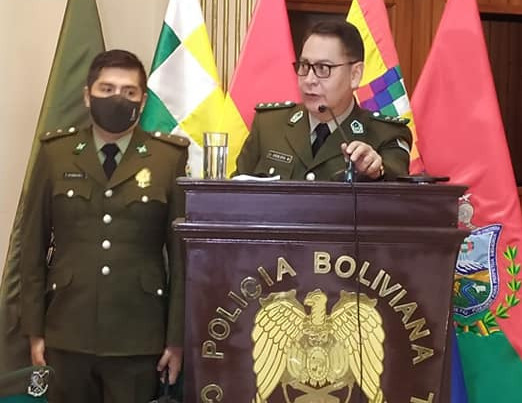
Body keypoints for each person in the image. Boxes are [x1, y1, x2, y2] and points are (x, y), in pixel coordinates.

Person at [19, 49, 188, 403]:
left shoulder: (167, 158)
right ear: (87, 95)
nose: (117, 98)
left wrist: (176, 339)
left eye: (129, 91)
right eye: (107, 89)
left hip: (139, 337)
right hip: (66, 331)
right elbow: (31, 247)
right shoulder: (56, 153)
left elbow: (182, 258)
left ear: (143, 101)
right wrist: (35, 332)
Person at [234, 20, 412, 181]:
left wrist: (376, 171)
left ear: (355, 75)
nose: (309, 79)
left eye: (323, 68)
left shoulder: (386, 134)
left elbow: (397, 189)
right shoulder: (269, 125)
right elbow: (234, 193)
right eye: (304, 66)